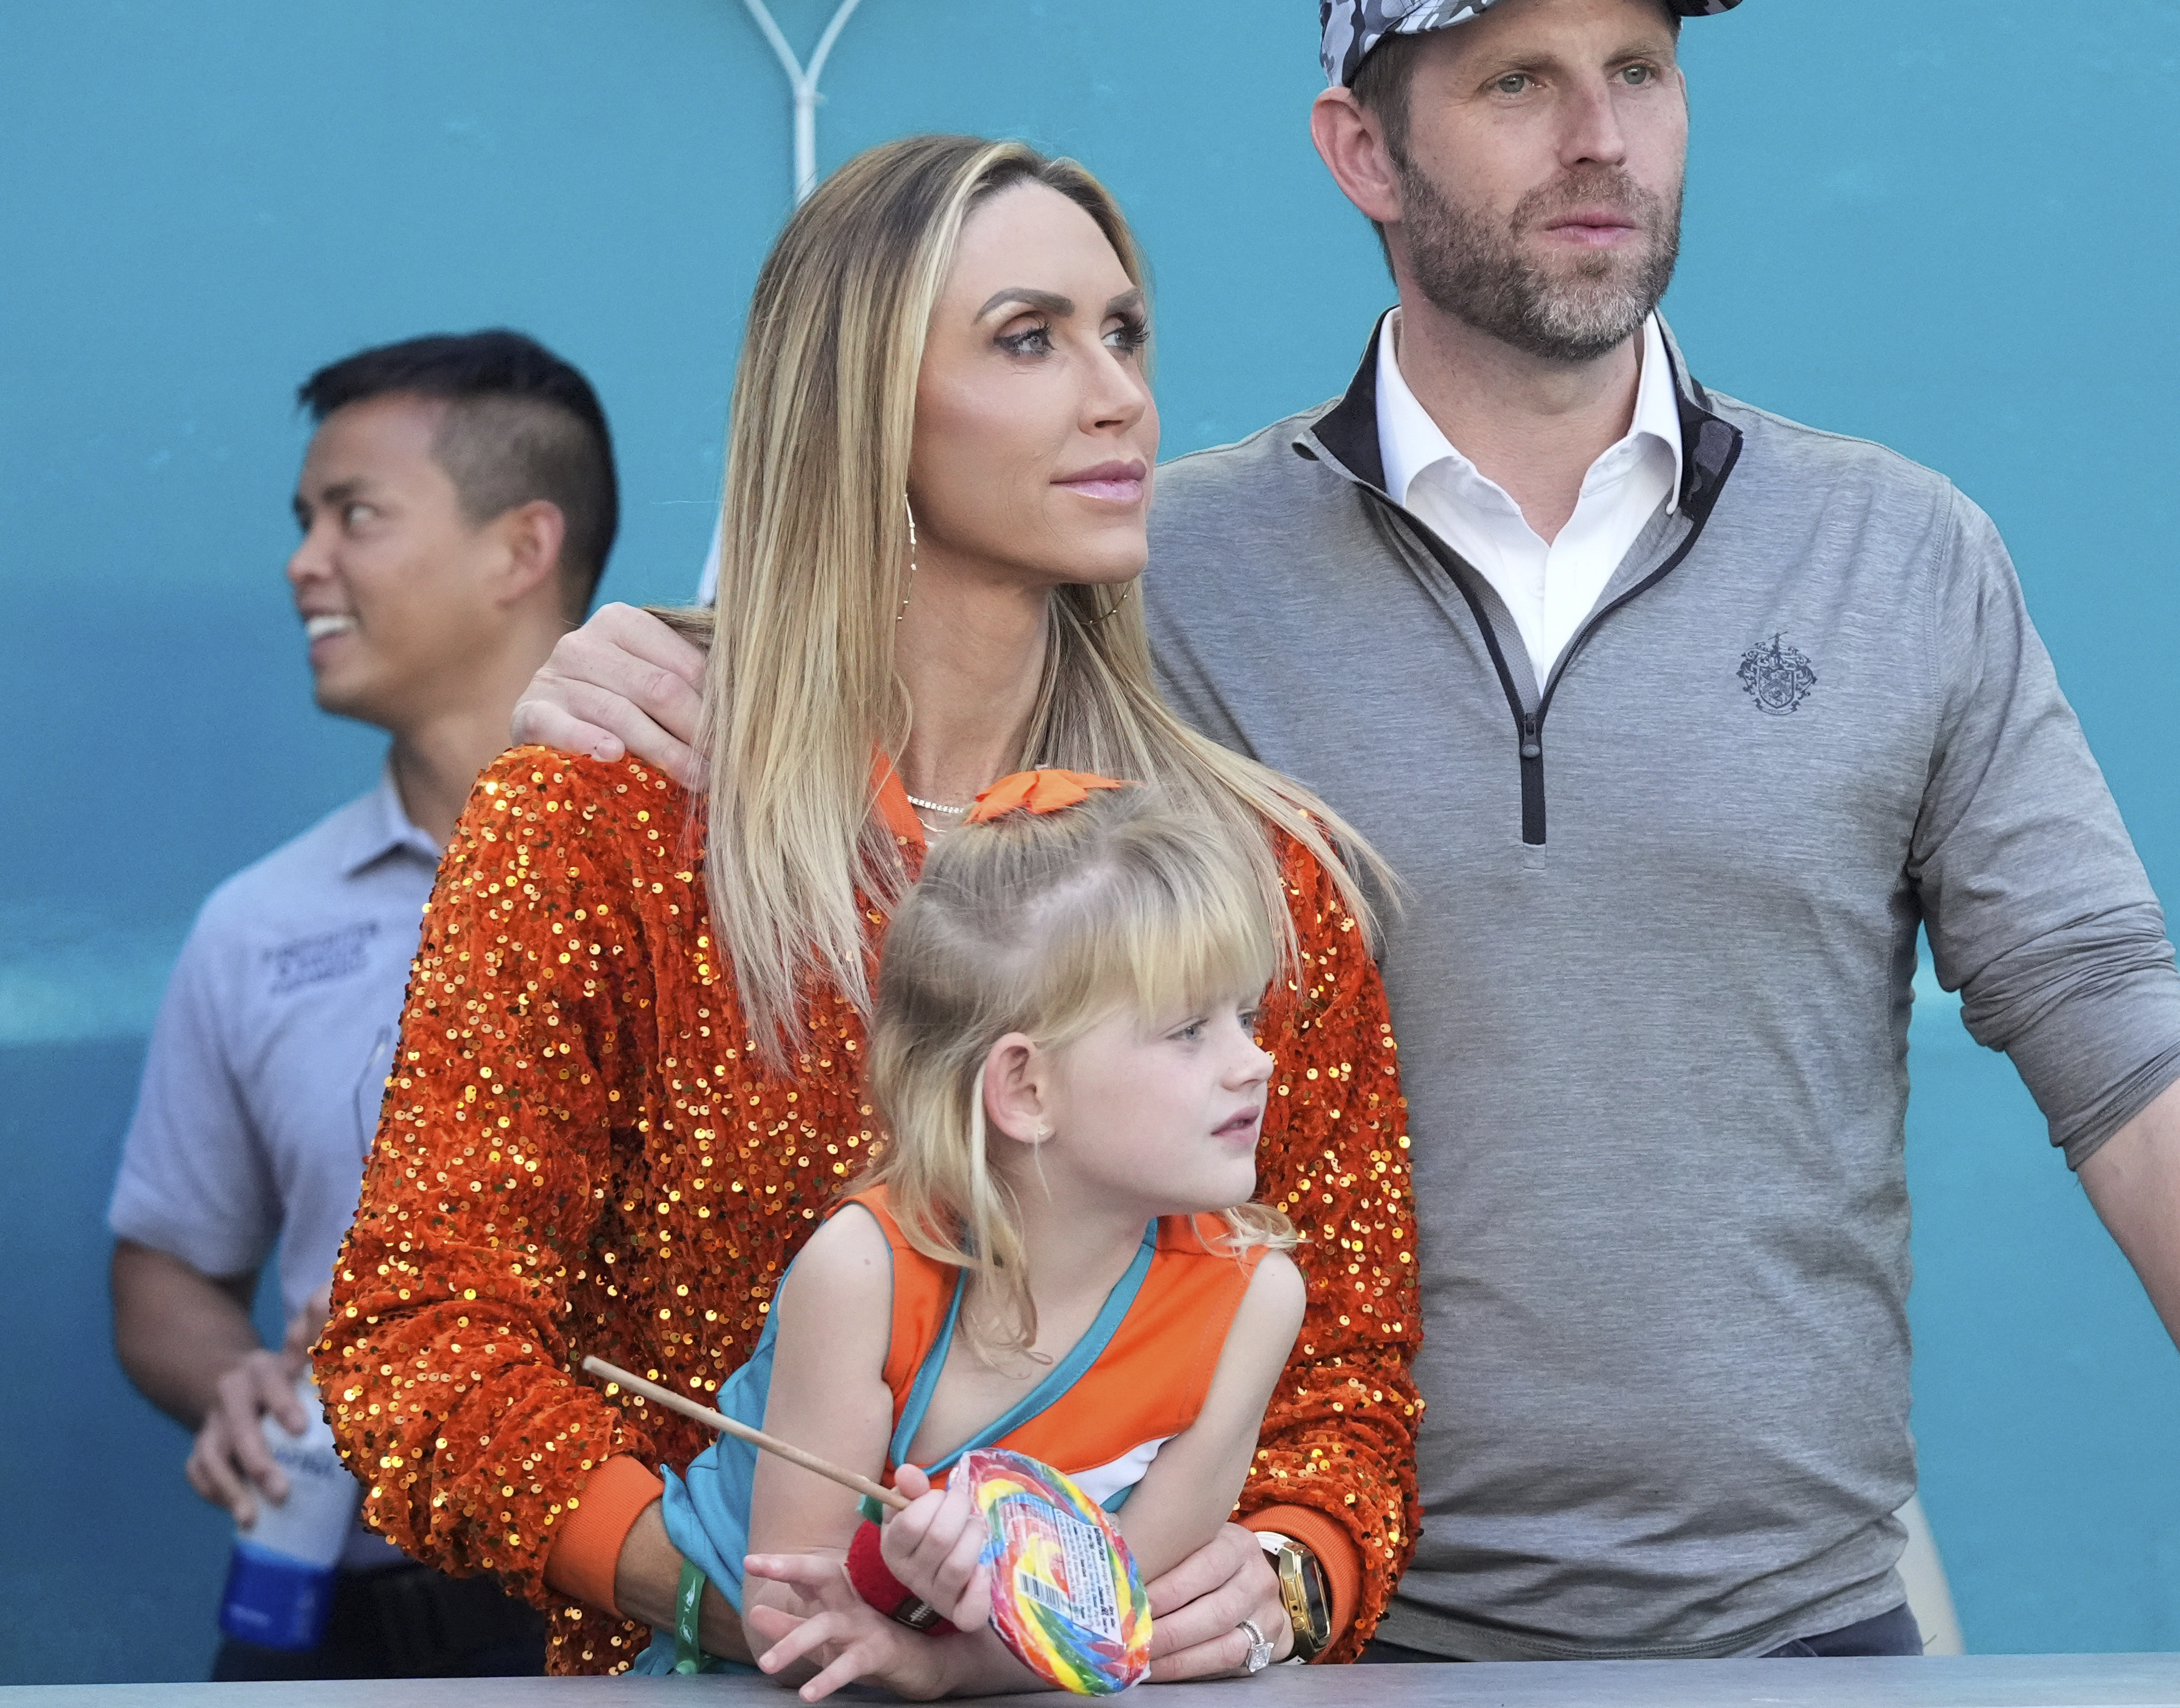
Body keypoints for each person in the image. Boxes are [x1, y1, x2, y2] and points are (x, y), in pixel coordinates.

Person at [518, 0, 2180, 1665]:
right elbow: (876, 704)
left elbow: (2128, 1067)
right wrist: (587, 683)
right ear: (1362, 149)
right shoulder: (1166, 570)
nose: (1599, 135)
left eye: (1641, 72)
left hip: (1809, 1617)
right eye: (1517, 82)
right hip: (1318, 1621)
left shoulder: (1899, 554)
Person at [316, 137, 1415, 1680]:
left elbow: (1349, 1375)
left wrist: (1296, 1570)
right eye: (1030, 339)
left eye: (1126, 334)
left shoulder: (1254, 871)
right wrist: (737, 1600)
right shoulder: (607, 818)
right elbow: (419, 1343)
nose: (1119, 395)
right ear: (862, 410)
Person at [107, 328, 619, 1679]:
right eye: (303, 520)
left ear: (522, 549)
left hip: (659, 1590)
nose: (304, 562)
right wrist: (230, 1378)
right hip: (345, 1597)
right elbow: (164, 1265)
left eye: (356, 516)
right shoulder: (260, 923)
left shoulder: (723, 878)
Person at [651, 776, 1309, 1698]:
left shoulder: (1256, 1299)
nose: (1257, 1061)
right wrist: (895, 1581)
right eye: (1190, 1030)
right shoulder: (863, 1274)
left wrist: (937, 1659)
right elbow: (791, 1619)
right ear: (1026, 1091)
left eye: (1246, 1015)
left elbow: (1112, 1618)